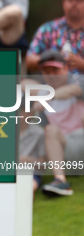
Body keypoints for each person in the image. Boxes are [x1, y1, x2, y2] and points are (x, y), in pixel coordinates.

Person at [34, 49, 84, 196]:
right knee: (50, 130)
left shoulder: (77, 80)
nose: (51, 75)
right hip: (65, 149)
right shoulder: (41, 94)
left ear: (66, 68)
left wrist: (49, 97)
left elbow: (73, 90)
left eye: (55, 70)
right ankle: (60, 181)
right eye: (47, 71)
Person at [26, 0, 84, 74]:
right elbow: (29, 60)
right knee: (25, 84)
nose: (74, 4)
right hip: (51, 83)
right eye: (70, 0)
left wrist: (81, 64)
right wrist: (50, 60)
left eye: (79, 0)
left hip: (81, 84)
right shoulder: (47, 29)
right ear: (63, 3)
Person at [19, 95, 46, 194]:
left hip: (31, 174)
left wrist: (26, 160)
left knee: (29, 188)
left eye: (22, 110)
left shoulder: (39, 133)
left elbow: (43, 165)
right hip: (8, 172)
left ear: (30, 112)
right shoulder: (3, 131)